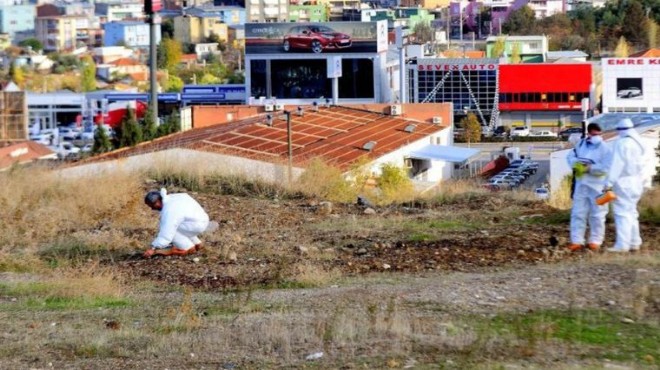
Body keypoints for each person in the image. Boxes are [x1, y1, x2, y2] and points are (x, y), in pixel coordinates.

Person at [604, 118, 647, 253]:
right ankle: (635, 241)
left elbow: (617, 165)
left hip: (624, 182)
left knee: (622, 213)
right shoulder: (639, 143)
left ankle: (622, 245)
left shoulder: (622, 143)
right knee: (632, 212)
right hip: (637, 181)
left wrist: (608, 182)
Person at [566, 123, 611, 252]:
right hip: (581, 184)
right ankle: (577, 241)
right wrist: (576, 165)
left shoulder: (605, 149)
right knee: (578, 213)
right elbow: (570, 156)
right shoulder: (581, 144)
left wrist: (591, 168)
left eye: (598, 134)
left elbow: (606, 167)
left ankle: (595, 241)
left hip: (598, 186)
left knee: (597, 214)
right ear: (589, 133)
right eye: (594, 134)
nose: (596, 136)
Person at [143, 188, 210, 258]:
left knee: (172, 229)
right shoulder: (174, 197)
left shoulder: (169, 210)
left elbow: (166, 234)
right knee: (181, 224)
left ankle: (187, 248)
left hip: (195, 225)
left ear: (158, 200)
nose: (152, 208)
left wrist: (153, 248)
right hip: (202, 220)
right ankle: (197, 243)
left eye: (152, 205)